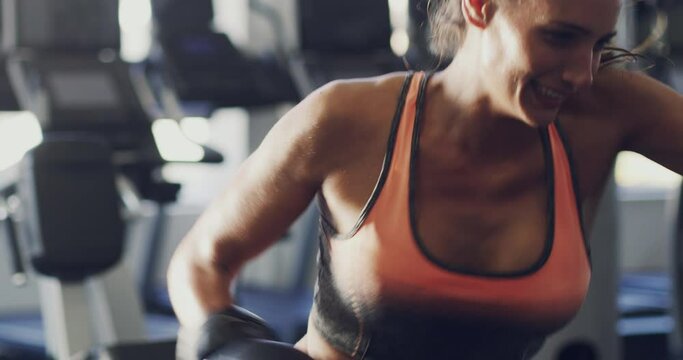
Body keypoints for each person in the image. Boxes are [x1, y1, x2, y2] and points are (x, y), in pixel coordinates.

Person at [167, 0, 683, 358]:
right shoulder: (346, 118)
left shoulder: (605, 111)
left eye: (598, 44)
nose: (582, 73)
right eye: (560, 36)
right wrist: (226, 343)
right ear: (480, 7)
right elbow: (202, 262)